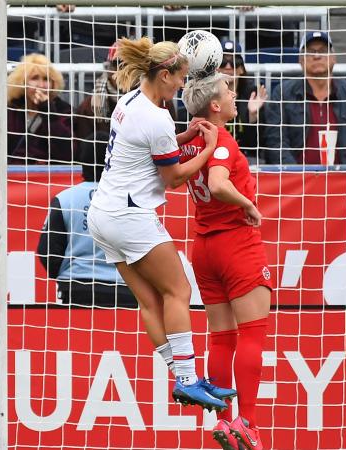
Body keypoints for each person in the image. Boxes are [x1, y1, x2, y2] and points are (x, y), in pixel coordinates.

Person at [85, 36, 234, 412]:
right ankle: (187, 379)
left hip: (102, 213)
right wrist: (207, 148)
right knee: (178, 292)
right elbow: (174, 177)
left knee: (150, 301)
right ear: (165, 74)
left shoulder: (131, 100)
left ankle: (181, 376)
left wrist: (184, 135)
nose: (183, 85)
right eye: (181, 78)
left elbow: (154, 149)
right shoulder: (156, 117)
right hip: (129, 216)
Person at [181, 72, 272, 450]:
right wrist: (248, 203)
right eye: (228, 90)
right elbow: (218, 182)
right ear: (215, 105)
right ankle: (246, 422)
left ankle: (223, 420)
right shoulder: (221, 143)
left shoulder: (189, 143)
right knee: (252, 333)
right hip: (236, 243)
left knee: (221, 336)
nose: (235, 93)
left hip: (203, 247)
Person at [36, 139, 137, 308]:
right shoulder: (132, 199)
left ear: (82, 161)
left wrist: (65, 274)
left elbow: (48, 252)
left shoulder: (65, 199)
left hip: (77, 288)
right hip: (124, 288)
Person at [263, 31, 346, 166]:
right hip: (298, 182)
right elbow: (275, 141)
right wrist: (295, 174)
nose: (317, 56)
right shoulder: (283, 94)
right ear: (301, 60)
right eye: (310, 52)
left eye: (323, 51)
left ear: (333, 58)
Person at [74, 42, 179, 146]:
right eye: (117, 65)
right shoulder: (89, 107)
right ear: (108, 69)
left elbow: (171, 141)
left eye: (128, 65)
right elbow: (85, 153)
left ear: (137, 69)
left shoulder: (161, 101)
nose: (123, 71)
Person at [7, 53, 74, 165]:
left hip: (49, 176)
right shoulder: (11, 110)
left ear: (53, 84)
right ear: (22, 82)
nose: (41, 85)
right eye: (34, 78)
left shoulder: (64, 110)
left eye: (46, 79)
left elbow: (67, 154)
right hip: (13, 174)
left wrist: (49, 113)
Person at [215, 39, 267, 164]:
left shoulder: (253, 95)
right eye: (223, 62)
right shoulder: (206, 96)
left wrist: (252, 117)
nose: (228, 66)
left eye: (234, 62)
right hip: (215, 154)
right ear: (215, 69)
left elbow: (257, 145)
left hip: (245, 157)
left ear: (241, 69)